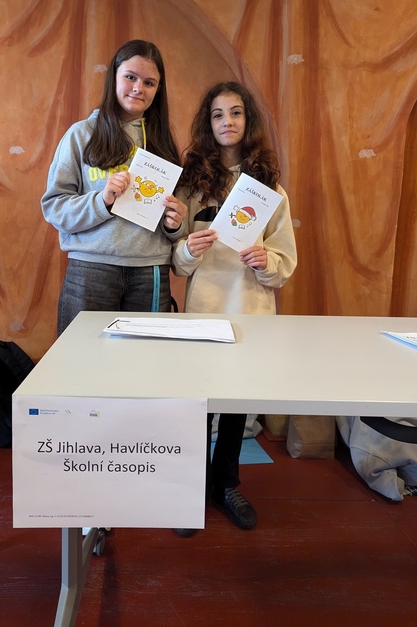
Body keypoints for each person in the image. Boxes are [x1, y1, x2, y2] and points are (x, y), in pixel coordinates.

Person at [172, 81, 297, 536]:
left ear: (248, 120)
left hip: (251, 310)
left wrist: (267, 261)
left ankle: (225, 484)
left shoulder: (269, 189)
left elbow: (284, 262)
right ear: (208, 124)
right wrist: (188, 250)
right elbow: (176, 260)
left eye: (236, 112)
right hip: (204, 308)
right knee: (200, 403)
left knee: (235, 406)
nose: (228, 122)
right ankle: (190, 488)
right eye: (218, 114)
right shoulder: (191, 185)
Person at [41, 40, 187, 334]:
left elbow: (174, 223)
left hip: (150, 271)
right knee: (81, 356)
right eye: (130, 77)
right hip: (91, 269)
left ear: (158, 90)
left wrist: (174, 223)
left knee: (144, 359)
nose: (138, 88)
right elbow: (54, 207)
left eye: (149, 82)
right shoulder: (81, 135)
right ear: (114, 77)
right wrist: (102, 201)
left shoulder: (163, 144)